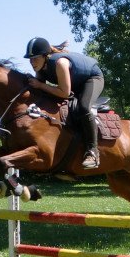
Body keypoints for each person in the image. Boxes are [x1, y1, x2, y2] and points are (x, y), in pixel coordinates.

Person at [24, 37, 104, 169]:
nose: (32, 62)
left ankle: (93, 152)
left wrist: (40, 85)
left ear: (45, 56)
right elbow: (39, 91)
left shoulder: (60, 63)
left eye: (35, 58)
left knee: (83, 107)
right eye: (30, 59)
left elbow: (64, 93)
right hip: (75, 83)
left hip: (92, 78)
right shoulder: (40, 67)